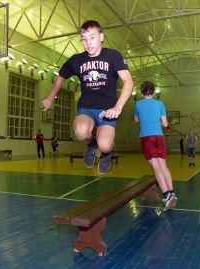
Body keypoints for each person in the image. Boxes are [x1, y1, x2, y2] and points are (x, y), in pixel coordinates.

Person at [42, 20, 133, 174]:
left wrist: (118, 107)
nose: (88, 43)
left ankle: (107, 153)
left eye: (92, 37)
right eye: (84, 39)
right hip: (87, 108)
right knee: (80, 131)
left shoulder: (113, 56)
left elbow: (128, 81)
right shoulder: (77, 60)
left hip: (107, 110)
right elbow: (60, 78)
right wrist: (50, 98)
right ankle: (90, 145)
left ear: (101, 37)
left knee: (104, 144)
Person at [134, 81, 177, 211]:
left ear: (142, 92)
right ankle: (172, 192)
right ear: (153, 92)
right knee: (163, 165)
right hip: (159, 137)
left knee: (155, 166)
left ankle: (166, 195)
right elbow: (165, 124)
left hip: (147, 137)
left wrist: (144, 117)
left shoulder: (138, 104)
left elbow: (136, 119)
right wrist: (160, 120)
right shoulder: (160, 103)